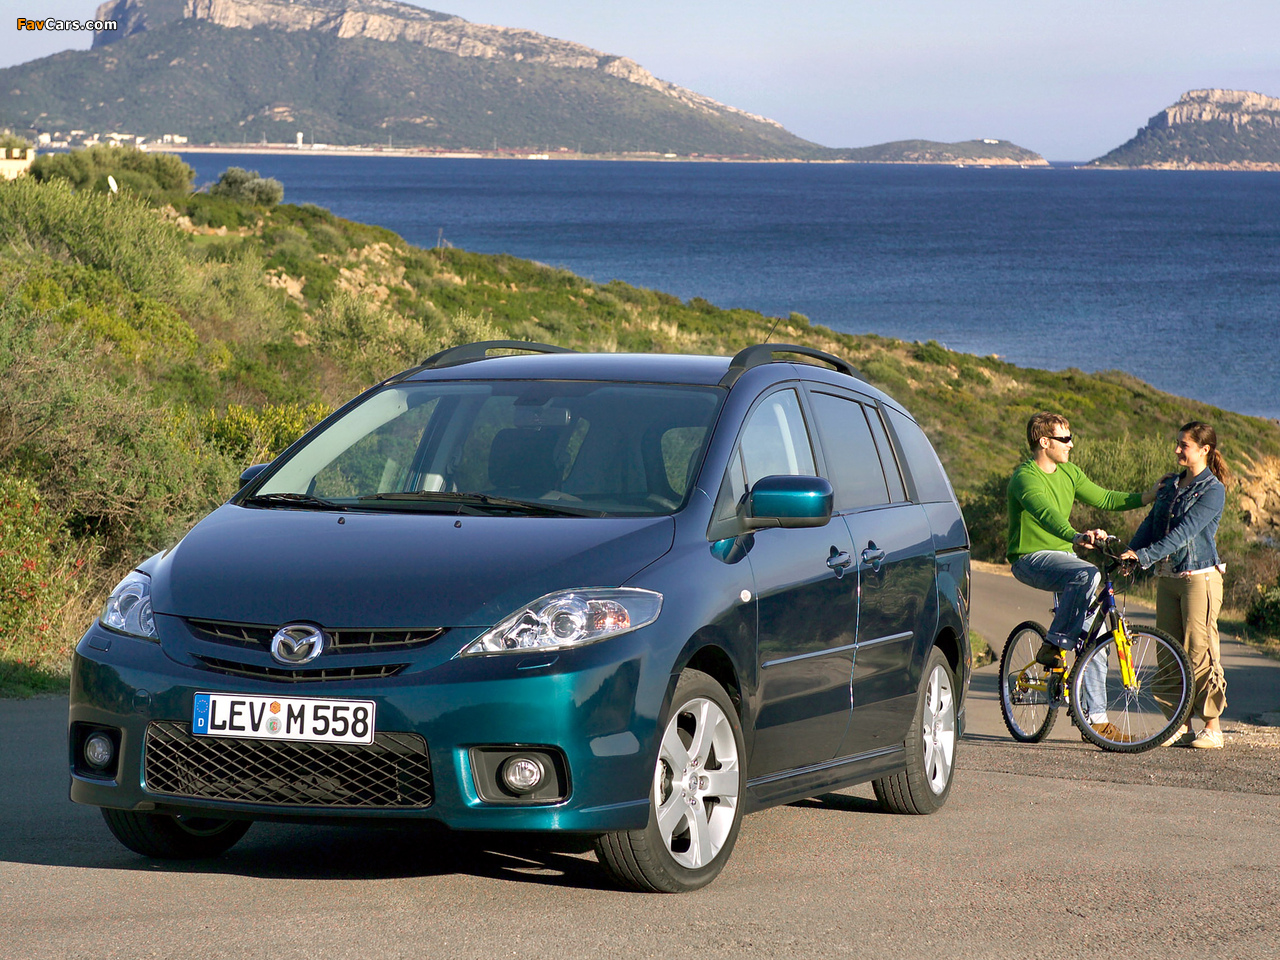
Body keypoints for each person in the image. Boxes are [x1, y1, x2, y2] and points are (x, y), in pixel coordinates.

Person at [1007, 412, 1159, 742]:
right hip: (1030, 559)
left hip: (1065, 561)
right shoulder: (1024, 477)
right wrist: (1075, 535)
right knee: (1087, 573)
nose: (1071, 444)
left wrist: (1147, 497)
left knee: (1098, 638)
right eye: (1065, 439)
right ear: (1044, 442)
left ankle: (1096, 721)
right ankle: (1055, 643)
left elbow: (1105, 497)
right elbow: (1045, 513)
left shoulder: (1070, 472)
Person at [1121, 422, 1230, 749]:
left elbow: (1184, 534)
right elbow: (1151, 523)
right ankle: (1178, 725)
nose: (1177, 450)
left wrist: (1144, 556)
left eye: (1184, 445)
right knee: (1168, 652)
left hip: (1199, 578)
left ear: (1204, 450)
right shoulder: (1169, 484)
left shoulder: (1213, 490)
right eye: (1178, 443)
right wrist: (1131, 552)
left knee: (1199, 651)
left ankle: (1212, 727)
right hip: (1168, 577)